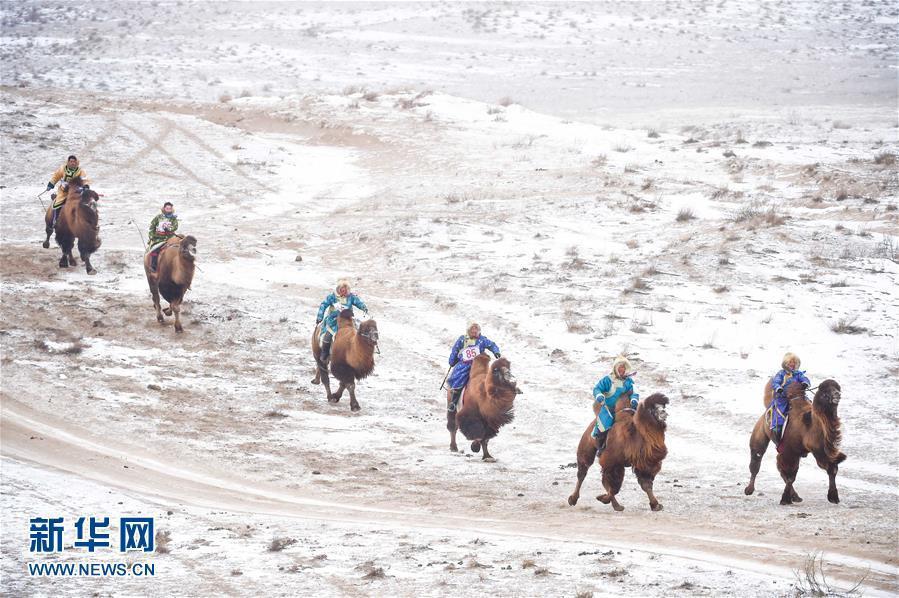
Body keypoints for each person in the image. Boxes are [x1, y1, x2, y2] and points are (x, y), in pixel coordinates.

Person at [445, 322, 500, 414]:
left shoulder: (482, 340)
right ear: (468, 331)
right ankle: (454, 402)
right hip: (465, 365)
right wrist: (452, 361)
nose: (474, 332)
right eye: (472, 331)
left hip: (479, 364)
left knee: (492, 377)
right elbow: (455, 350)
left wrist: (496, 351)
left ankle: (496, 399)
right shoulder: (462, 340)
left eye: (476, 331)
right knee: (459, 378)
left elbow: (492, 345)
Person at [591, 355, 639, 458]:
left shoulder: (629, 381)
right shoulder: (607, 380)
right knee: (604, 424)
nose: (622, 369)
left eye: (624, 367)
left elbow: (635, 392)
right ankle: (602, 447)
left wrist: (634, 399)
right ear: (615, 368)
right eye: (620, 366)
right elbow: (597, 389)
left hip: (626, 409)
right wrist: (599, 395)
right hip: (609, 408)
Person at [315, 279, 369, 366]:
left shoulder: (351, 297)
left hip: (348, 320)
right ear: (338, 289)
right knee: (328, 335)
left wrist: (363, 307)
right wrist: (320, 317)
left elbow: (359, 302)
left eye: (345, 290)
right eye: (341, 290)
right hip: (334, 320)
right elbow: (323, 305)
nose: (343, 292)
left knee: (360, 332)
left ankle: (362, 352)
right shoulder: (332, 297)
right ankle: (325, 353)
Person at [770, 352, 811, 452]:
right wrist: (779, 388)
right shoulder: (781, 373)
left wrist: (805, 383)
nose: (792, 364)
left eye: (794, 362)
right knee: (779, 419)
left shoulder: (798, 373)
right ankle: (778, 440)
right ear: (786, 363)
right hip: (783, 399)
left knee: (811, 409)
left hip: (798, 399)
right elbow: (775, 382)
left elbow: (804, 378)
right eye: (790, 362)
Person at [45, 155, 91, 230]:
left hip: (76, 192)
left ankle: (86, 222)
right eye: (71, 161)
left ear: (77, 162)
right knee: (57, 204)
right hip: (64, 191)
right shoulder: (62, 169)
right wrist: (51, 184)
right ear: (68, 162)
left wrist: (85, 186)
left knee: (84, 204)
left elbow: (84, 179)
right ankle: (55, 220)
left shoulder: (80, 171)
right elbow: (56, 176)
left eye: (74, 161)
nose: (72, 163)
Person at [147, 202, 179, 273]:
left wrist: (169, 229)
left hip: (170, 238)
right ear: (164, 208)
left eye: (170, 208)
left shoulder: (174, 219)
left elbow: (175, 227)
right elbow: (152, 227)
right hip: (159, 238)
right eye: (167, 208)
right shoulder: (158, 217)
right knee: (155, 250)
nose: (168, 210)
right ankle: (153, 266)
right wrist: (151, 235)